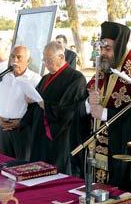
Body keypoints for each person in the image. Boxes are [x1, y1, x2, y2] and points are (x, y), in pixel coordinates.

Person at [82, 21, 131, 191]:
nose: (103, 53)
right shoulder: (102, 70)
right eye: (102, 48)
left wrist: (104, 114)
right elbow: (82, 102)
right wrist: (88, 103)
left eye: (108, 49)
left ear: (120, 49)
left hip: (118, 156)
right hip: (94, 152)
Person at [20, 41, 86, 174]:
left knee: (57, 174)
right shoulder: (45, 78)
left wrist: (46, 105)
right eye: (44, 60)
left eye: (49, 60)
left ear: (61, 57)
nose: (46, 63)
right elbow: (37, 102)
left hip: (59, 137)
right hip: (40, 135)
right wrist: (30, 101)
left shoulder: (76, 78)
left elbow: (70, 110)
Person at [0, 45, 41, 160]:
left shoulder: (35, 79)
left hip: (23, 130)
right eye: (12, 56)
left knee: (23, 166)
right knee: (5, 164)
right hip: (2, 127)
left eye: (19, 57)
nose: (15, 60)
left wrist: (20, 123)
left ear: (27, 61)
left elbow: (38, 108)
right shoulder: (1, 76)